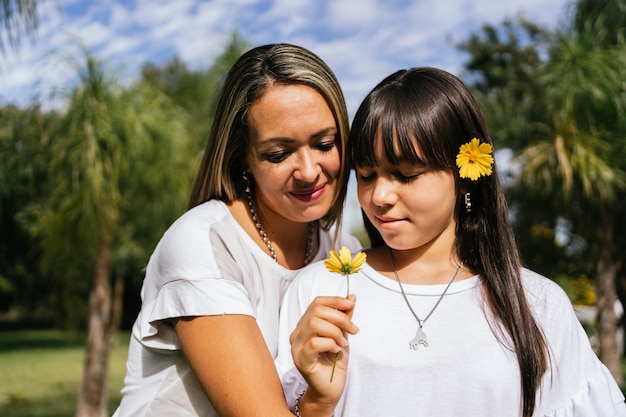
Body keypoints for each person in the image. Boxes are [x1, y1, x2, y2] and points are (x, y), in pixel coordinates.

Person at [276, 67, 626, 416]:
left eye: (407, 175)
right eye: (366, 175)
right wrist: (317, 403)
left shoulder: (537, 304)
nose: (379, 195)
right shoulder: (322, 290)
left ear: (466, 176)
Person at [113, 43, 361, 417]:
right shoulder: (203, 244)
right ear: (242, 156)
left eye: (325, 143)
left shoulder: (344, 252)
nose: (309, 171)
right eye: (279, 153)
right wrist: (317, 403)